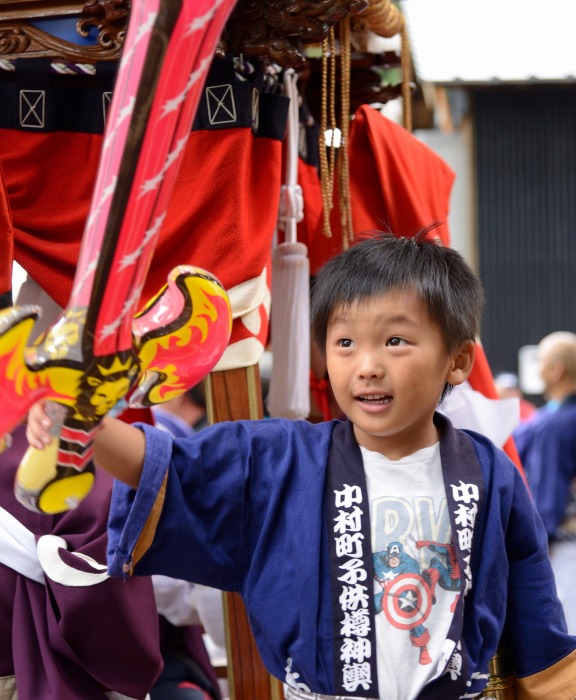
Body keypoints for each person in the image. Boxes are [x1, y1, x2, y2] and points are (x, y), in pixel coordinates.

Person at [26, 231, 576, 700]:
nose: (367, 367)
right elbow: (171, 466)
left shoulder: (489, 473)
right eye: (344, 342)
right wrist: (80, 423)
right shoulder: (281, 459)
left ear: (457, 360)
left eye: (395, 340)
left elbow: (536, 617)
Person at [515, 331, 576, 635]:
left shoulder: (556, 424)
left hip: (567, 550)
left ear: (556, 370)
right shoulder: (551, 420)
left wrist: (537, 542)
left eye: (541, 361)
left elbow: (548, 497)